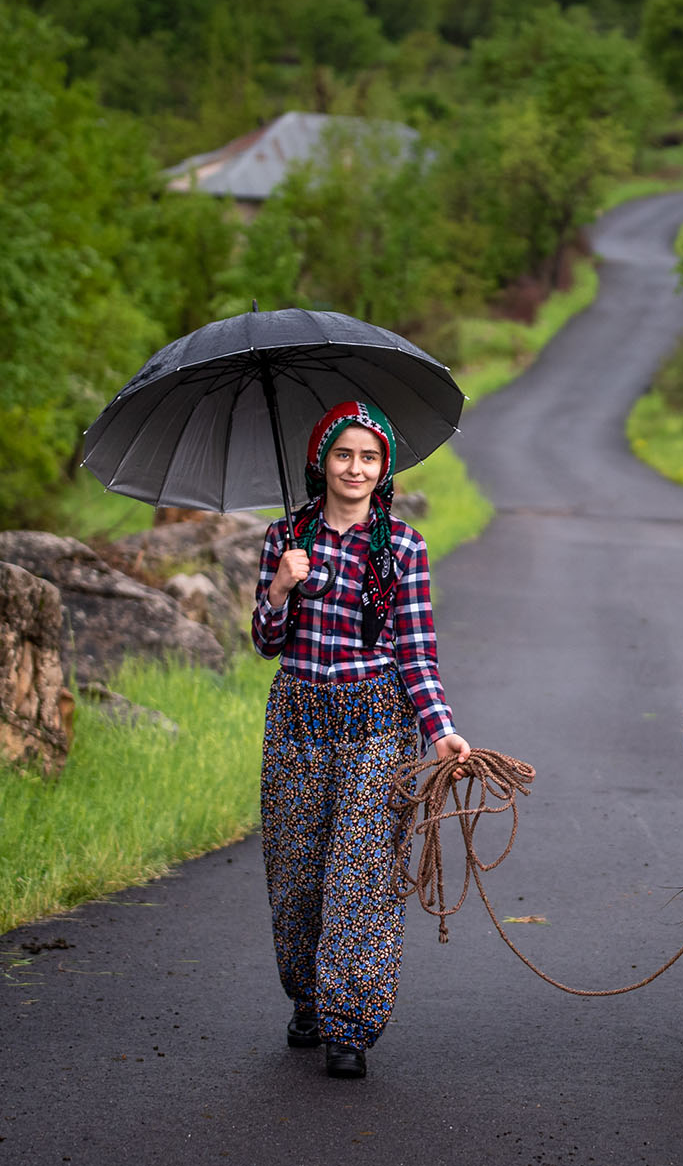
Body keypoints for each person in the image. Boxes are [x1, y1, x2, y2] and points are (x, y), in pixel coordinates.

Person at [251, 400, 471, 1080]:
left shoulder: (402, 547)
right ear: (323, 462)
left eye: (368, 457)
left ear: (385, 468)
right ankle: (309, 1000)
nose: (355, 468)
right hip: (298, 719)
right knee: (295, 874)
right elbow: (265, 641)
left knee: (363, 874)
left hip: (376, 723)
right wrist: (281, 588)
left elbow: (416, 653)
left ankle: (349, 1023)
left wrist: (440, 731)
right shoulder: (285, 538)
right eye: (343, 454)